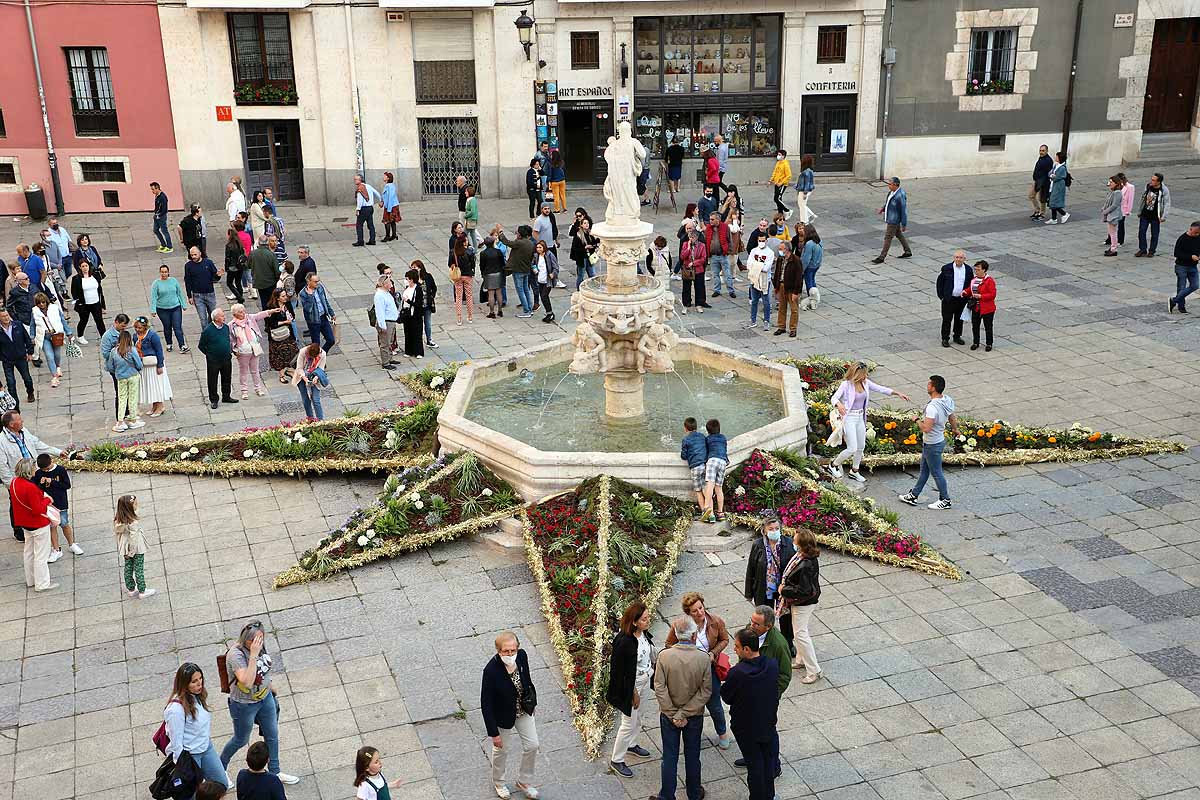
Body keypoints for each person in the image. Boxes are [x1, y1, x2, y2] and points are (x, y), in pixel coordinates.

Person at [220, 621, 300, 785]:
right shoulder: (236, 654)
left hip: (265, 698)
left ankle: (275, 772)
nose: (258, 643)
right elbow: (247, 682)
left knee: (272, 735)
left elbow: (263, 671)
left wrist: (271, 688)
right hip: (244, 704)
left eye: (261, 638)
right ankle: (220, 769)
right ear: (245, 639)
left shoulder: (259, 647)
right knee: (241, 739)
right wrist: (254, 654)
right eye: (254, 640)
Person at [654, 616, 714, 800]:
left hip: (669, 715)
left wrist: (673, 713)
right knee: (693, 756)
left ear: (675, 633)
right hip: (693, 716)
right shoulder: (703, 658)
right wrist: (683, 713)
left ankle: (666, 796)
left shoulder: (664, 656)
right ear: (694, 635)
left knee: (669, 757)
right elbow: (705, 691)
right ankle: (694, 794)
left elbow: (659, 687)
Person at [665, 592, 731, 750]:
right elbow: (668, 644)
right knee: (688, 703)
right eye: (695, 611)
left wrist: (713, 653)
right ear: (688, 613)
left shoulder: (715, 621)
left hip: (709, 669)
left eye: (701, 608)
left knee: (714, 704)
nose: (700, 612)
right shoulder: (679, 625)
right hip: (688, 672)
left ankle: (722, 733)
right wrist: (683, 654)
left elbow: (725, 639)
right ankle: (691, 734)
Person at [481, 630, 540, 800]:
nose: (510, 654)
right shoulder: (491, 671)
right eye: (506, 651)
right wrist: (493, 733)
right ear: (498, 651)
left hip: (522, 711)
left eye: (513, 650)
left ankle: (524, 781)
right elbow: (486, 704)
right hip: (503, 716)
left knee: (533, 745)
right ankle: (499, 782)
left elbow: (527, 679)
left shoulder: (521, 656)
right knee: (501, 750)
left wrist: (531, 702)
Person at [723, 628, 780, 800]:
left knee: (754, 766)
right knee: (767, 763)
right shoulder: (771, 665)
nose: (735, 649)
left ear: (747, 650)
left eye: (737, 646)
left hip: (746, 729)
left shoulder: (737, 673)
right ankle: (769, 795)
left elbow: (726, 696)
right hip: (767, 724)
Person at [827, 362, 909, 482]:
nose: (866, 377)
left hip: (860, 417)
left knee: (861, 447)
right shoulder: (846, 385)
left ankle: (854, 471)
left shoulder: (865, 383)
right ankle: (833, 465)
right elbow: (834, 398)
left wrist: (897, 393)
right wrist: (838, 404)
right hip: (849, 418)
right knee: (852, 448)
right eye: (864, 374)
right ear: (857, 375)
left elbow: (881, 389)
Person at [607, 601, 656, 779]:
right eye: (644, 619)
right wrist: (633, 693)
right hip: (631, 687)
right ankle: (617, 759)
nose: (648, 621)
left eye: (648, 617)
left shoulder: (643, 634)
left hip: (644, 680)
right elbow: (620, 673)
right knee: (628, 723)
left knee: (639, 718)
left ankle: (632, 744)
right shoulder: (624, 642)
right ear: (634, 622)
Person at [898, 375, 959, 510]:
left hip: (932, 444)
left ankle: (945, 499)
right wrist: (955, 429)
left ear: (934, 387)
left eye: (929, 384)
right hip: (937, 441)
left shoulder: (932, 407)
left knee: (937, 473)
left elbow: (926, 428)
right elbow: (952, 417)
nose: (927, 385)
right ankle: (914, 495)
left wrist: (916, 420)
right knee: (924, 471)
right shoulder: (946, 400)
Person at [163, 663, 224, 790]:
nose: (199, 683)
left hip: (206, 747)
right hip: (191, 756)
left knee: (221, 785)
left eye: (200, 678)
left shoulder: (198, 696)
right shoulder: (175, 710)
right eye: (194, 681)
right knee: (192, 794)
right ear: (184, 684)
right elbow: (176, 742)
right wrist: (183, 769)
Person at [745, 511, 794, 656]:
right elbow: (751, 569)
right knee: (763, 619)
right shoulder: (758, 545)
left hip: (781, 590)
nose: (774, 532)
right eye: (771, 529)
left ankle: (788, 644)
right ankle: (764, 644)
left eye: (776, 529)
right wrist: (748, 592)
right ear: (764, 531)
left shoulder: (788, 544)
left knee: (786, 618)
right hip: (763, 588)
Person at [779, 527, 822, 683]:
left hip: (803, 603)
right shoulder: (803, 557)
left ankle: (814, 670)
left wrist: (784, 589)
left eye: (795, 537)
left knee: (800, 634)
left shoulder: (805, 564)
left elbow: (802, 590)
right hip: (805, 601)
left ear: (801, 543)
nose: (793, 539)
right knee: (799, 631)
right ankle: (801, 659)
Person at [12, 458, 56, 591]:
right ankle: (42, 584)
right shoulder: (30, 487)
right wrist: (47, 499)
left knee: (28, 552)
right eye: (33, 467)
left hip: (24, 523)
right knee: (41, 555)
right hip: (38, 523)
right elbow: (38, 510)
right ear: (28, 470)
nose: (35, 470)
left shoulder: (14, 482)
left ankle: (30, 580)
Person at [35, 452, 79, 562]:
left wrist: (53, 482)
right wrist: (40, 484)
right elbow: (37, 490)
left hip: (61, 503)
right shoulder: (38, 473)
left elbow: (67, 485)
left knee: (64, 524)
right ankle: (56, 549)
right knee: (52, 527)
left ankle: (72, 544)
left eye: (46, 469)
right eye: (43, 470)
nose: (45, 471)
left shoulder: (60, 470)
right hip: (48, 505)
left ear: (51, 462)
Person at [229, 304, 271, 399]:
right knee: (243, 371)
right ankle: (244, 391)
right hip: (243, 351)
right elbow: (230, 339)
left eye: (243, 310)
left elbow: (260, 315)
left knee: (255, 370)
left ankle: (258, 388)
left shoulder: (249, 318)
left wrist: (271, 311)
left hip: (254, 348)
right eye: (240, 312)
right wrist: (234, 350)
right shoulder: (231, 325)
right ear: (235, 314)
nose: (243, 313)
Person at [106, 330, 144, 432]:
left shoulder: (114, 351)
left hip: (121, 377)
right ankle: (133, 420)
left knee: (122, 398)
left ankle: (120, 422)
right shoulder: (132, 350)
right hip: (133, 376)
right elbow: (139, 365)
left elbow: (109, 366)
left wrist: (118, 371)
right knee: (133, 397)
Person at [199, 308, 237, 409]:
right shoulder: (208, 330)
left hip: (226, 358)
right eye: (222, 316)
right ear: (216, 319)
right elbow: (201, 346)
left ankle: (226, 396)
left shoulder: (225, 327)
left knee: (227, 378)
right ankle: (214, 399)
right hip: (213, 361)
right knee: (212, 380)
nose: (224, 317)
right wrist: (210, 355)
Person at [133, 316, 171, 417]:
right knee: (150, 386)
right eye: (136, 327)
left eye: (140, 328)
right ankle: (154, 406)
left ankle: (160, 406)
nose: (137, 330)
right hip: (144, 365)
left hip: (153, 365)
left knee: (156, 385)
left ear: (145, 327)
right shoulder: (135, 336)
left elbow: (159, 351)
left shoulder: (153, 335)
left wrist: (160, 365)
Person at [0, 309, 35, 411]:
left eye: (7, 315)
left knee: (27, 378)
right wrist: (3, 357)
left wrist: (30, 352)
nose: (6, 318)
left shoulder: (18, 325)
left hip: (21, 358)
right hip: (7, 361)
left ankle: (30, 392)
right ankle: (15, 406)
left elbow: (27, 339)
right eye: (3, 316)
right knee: (11, 383)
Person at [872, 176, 912, 263]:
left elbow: (903, 211)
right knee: (898, 234)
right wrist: (882, 209)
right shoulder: (891, 192)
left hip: (894, 220)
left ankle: (882, 257)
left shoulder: (900, 195)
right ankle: (907, 251)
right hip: (891, 217)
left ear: (895, 185)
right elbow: (888, 203)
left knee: (888, 237)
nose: (888, 186)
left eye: (890, 184)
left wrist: (904, 224)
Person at [31, 293, 67, 389]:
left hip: (56, 335)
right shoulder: (34, 311)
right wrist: (32, 336)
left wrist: (68, 332)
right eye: (39, 303)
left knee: (57, 354)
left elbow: (62, 320)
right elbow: (33, 324)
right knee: (49, 356)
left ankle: (58, 366)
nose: (42, 304)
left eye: (43, 302)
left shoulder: (54, 308)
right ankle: (54, 377)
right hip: (44, 336)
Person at [151, 264, 189, 353]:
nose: (164, 274)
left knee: (177, 327)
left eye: (165, 272)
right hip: (162, 309)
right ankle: (169, 343)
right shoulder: (156, 283)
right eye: (162, 272)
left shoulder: (173, 281)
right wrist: (153, 310)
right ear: (160, 273)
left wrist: (183, 304)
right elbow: (154, 297)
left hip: (175, 307)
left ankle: (182, 345)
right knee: (167, 326)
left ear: (168, 272)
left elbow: (179, 293)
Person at [184, 246, 223, 331]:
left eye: (195, 254)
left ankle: (213, 332)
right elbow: (188, 281)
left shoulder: (208, 263)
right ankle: (206, 335)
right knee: (203, 319)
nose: (193, 257)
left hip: (210, 294)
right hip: (197, 296)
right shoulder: (188, 266)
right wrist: (189, 296)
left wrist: (218, 276)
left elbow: (214, 277)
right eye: (192, 255)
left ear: (200, 254)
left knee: (213, 316)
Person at [962, 259, 997, 351]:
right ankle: (975, 342)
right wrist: (966, 291)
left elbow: (992, 295)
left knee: (988, 326)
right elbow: (971, 289)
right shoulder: (974, 279)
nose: (976, 271)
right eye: (975, 269)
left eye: (978, 269)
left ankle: (989, 343)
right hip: (976, 307)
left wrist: (981, 296)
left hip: (987, 308)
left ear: (984, 270)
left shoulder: (989, 281)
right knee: (975, 326)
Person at [499, 227, 534, 317]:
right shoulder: (530, 243)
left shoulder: (519, 243)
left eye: (518, 233)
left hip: (518, 270)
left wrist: (500, 232)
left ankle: (526, 311)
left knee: (520, 290)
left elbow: (506, 242)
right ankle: (530, 308)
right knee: (526, 289)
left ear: (520, 234)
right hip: (526, 269)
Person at [265, 289, 299, 383]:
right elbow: (270, 323)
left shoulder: (287, 304)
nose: (285, 298)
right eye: (283, 296)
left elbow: (293, 315)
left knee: (292, 351)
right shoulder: (271, 307)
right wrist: (284, 322)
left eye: (285, 295)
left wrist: (290, 318)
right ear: (277, 298)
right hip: (277, 335)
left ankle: (289, 369)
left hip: (288, 332)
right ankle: (282, 375)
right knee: (279, 355)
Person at [937, 250, 970, 347]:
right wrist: (942, 296)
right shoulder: (947, 268)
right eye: (957, 257)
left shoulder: (968, 270)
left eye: (961, 258)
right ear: (954, 258)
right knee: (947, 319)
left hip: (961, 299)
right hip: (949, 299)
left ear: (964, 259)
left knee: (959, 319)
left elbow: (969, 284)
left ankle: (957, 336)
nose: (958, 259)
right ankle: (945, 338)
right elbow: (940, 283)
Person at [298, 272, 337, 350]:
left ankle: (322, 355)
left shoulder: (320, 288)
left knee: (331, 340)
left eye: (318, 281)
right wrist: (310, 296)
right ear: (309, 281)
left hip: (323, 317)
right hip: (313, 321)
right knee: (316, 344)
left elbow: (325, 301)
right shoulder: (303, 293)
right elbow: (308, 309)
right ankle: (317, 359)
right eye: (315, 282)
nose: (317, 283)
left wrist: (331, 313)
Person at [1136, 173, 1171, 257]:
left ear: (1159, 182)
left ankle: (1152, 250)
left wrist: (1164, 216)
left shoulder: (1164, 190)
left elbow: (1167, 203)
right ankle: (1142, 249)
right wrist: (1139, 211)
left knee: (1155, 234)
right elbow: (1143, 198)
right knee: (1141, 232)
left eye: (1154, 180)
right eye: (1151, 179)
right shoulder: (1148, 186)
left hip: (1156, 215)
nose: (1151, 181)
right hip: (1145, 213)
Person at [680, 417, 709, 517]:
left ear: (685, 428)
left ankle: (704, 512)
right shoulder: (702, 436)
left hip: (695, 467)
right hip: (705, 465)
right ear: (696, 426)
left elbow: (683, 456)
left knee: (698, 491)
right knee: (706, 489)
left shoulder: (686, 439)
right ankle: (711, 511)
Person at [772, 241, 802, 338]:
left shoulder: (796, 260)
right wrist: (776, 286)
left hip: (791, 288)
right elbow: (777, 272)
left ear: (787, 249)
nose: (779, 251)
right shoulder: (780, 259)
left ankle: (793, 328)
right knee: (781, 307)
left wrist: (796, 292)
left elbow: (799, 278)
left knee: (794, 309)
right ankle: (781, 326)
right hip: (781, 286)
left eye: (781, 249)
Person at [701, 419, 728, 524]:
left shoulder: (707, 439)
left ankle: (707, 507)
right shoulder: (723, 438)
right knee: (719, 488)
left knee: (710, 485)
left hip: (712, 461)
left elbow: (706, 452)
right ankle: (721, 513)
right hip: (722, 462)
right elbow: (724, 450)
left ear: (708, 431)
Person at [292, 343, 328, 420]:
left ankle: (320, 420)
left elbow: (321, 369)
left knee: (316, 399)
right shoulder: (303, 352)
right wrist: (304, 378)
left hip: (314, 375)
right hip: (301, 376)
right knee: (305, 399)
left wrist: (316, 377)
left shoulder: (323, 354)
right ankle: (310, 418)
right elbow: (299, 368)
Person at [746, 233, 775, 330]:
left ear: (766, 241)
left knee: (766, 302)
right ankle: (753, 320)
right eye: (760, 240)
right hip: (754, 279)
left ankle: (766, 321)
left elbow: (766, 268)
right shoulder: (754, 251)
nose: (761, 242)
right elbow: (748, 265)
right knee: (754, 301)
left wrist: (756, 265)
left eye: (763, 240)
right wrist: (759, 266)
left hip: (765, 280)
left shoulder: (770, 253)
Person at [1170, 220, 1200, 314]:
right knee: (1181, 287)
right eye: (1195, 232)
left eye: (1198, 233)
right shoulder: (1182, 239)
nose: (1196, 234)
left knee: (1195, 285)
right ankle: (1181, 306)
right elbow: (1177, 253)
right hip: (1181, 266)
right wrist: (1190, 256)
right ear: (1190, 229)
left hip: (1193, 267)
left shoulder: (1198, 237)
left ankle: (1174, 300)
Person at [705, 211, 735, 299]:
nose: (710, 221)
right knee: (715, 274)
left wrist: (728, 251)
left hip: (723, 255)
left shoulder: (725, 227)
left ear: (717, 219)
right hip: (713, 256)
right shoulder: (708, 228)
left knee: (727, 274)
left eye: (712, 219)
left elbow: (729, 240)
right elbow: (707, 240)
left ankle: (731, 290)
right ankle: (717, 290)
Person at [679, 227, 708, 314]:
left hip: (698, 270)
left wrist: (694, 263)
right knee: (686, 288)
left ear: (696, 237)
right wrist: (688, 248)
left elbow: (703, 258)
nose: (691, 239)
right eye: (689, 237)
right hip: (687, 270)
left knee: (699, 287)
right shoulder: (685, 244)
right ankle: (686, 304)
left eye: (692, 237)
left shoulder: (702, 246)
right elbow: (682, 256)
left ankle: (699, 304)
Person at [373, 276, 399, 371]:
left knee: (390, 342)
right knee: (385, 343)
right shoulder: (379, 296)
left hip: (391, 321)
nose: (391, 285)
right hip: (386, 322)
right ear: (384, 284)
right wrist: (382, 326)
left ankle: (390, 358)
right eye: (389, 283)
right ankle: (385, 363)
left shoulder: (386, 293)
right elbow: (380, 312)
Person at [450, 234, 477, 326]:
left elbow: (450, 263)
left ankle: (459, 318)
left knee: (458, 297)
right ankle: (470, 316)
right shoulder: (469, 252)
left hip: (458, 276)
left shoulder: (453, 252)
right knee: (469, 296)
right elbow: (473, 264)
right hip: (468, 275)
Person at [399, 269, 425, 359]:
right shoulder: (407, 288)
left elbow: (418, 304)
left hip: (415, 314)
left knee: (417, 333)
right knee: (407, 332)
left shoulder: (418, 289)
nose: (406, 280)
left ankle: (418, 352)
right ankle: (409, 351)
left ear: (412, 279)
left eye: (407, 279)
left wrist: (409, 301)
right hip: (407, 314)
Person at [412, 260, 439, 348]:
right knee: (417, 325)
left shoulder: (428, 276)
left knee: (428, 323)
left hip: (427, 304)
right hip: (418, 306)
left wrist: (431, 297)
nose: (414, 269)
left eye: (415, 267)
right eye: (412, 268)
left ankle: (429, 340)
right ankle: (418, 342)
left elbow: (433, 287)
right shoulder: (412, 279)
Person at [248, 235, 279, 312]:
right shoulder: (271, 255)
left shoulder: (253, 254)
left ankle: (266, 318)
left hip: (259, 282)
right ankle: (272, 318)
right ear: (267, 243)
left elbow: (248, 265)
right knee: (272, 301)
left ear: (258, 243)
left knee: (263, 301)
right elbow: (277, 271)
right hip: (271, 283)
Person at [569, 218, 599, 291]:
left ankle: (594, 288)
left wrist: (594, 245)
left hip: (589, 257)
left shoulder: (590, 234)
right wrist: (585, 247)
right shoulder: (578, 235)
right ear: (581, 225)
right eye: (585, 223)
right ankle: (579, 290)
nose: (587, 225)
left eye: (587, 223)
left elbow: (595, 243)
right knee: (581, 275)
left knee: (592, 274)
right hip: (582, 258)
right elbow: (576, 248)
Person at [533, 240, 558, 324]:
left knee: (544, 296)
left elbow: (556, 267)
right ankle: (549, 313)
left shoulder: (550, 255)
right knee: (543, 296)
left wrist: (553, 274)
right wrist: (535, 269)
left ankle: (550, 313)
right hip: (540, 279)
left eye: (540, 247)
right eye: (537, 247)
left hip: (548, 281)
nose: (538, 249)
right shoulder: (536, 256)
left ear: (544, 247)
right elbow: (532, 264)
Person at [353, 174, 382, 247]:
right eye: (355, 179)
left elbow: (360, 201)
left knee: (359, 225)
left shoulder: (360, 189)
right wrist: (380, 200)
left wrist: (357, 210)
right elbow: (377, 193)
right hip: (370, 208)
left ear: (360, 180)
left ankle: (360, 241)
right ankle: (372, 240)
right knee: (370, 224)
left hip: (363, 209)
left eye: (356, 179)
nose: (355, 181)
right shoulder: (368, 186)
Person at [799, 223, 823, 309]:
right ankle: (816, 298)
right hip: (816, 265)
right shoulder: (819, 241)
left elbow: (806, 259)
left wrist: (802, 269)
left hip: (810, 266)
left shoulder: (809, 244)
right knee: (812, 281)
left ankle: (812, 299)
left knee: (809, 282)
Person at [1029, 144, 1054, 221]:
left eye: (1043, 150)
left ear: (1047, 151)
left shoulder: (1048, 160)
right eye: (1040, 150)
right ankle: (1037, 210)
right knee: (1031, 196)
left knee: (1042, 199)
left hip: (1043, 182)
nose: (1041, 152)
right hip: (1037, 181)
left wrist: (1041, 183)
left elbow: (1048, 174)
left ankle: (1042, 214)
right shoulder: (1041, 158)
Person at [1101, 175, 1125, 257]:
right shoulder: (1113, 191)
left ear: (1116, 183)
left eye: (1111, 182)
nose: (1109, 183)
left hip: (1113, 215)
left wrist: (1105, 211)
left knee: (1113, 233)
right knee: (1111, 232)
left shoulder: (1117, 193)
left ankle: (1114, 249)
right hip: (1111, 215)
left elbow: (1114, 205)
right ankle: (1112, 247)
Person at [1046, 151, 1071, 225]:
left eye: (1057, 156)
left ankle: (1064, 214)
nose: (1055, 157)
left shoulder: (1062, 168)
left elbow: (1057, 177)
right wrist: (1052, 175)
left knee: (1054, 202)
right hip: (1053, 186)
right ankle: (1054, 219)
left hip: (1058, 187)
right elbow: (1050, 173)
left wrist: (1052, 176)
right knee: (1052, 202)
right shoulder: (1056, 165)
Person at [151, 182, 173, 253]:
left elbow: (165, 210)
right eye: (151, 189)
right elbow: (157, 206)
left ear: (157, 188)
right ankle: (163, 245)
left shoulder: (163, 197)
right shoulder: (157, 195)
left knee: (164, 231)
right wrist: (155, 213)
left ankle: (169, 247)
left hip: (161, 217)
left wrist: (158, 216)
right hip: (156, 216)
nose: (152, 191)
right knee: (155, 230)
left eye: (153, 189)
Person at [770, 149, 792, 218]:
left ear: (783, 156)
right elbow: (775, 172)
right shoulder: (778, 163)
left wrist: (782, 182)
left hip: (782, 184)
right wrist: (771, 180)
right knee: (777, 198)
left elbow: (789, 175)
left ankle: (787, 210)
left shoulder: (785, 164)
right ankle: (780, 213)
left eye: (779, 155)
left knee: (777, 198)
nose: (778, 156)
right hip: (777, 183)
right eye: (778, 154)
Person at [380, 172, 401, 242]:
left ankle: (387, 236)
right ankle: (394, 235)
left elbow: (390, 197)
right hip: (391, 205)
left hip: (391, 206)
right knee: (392, 221)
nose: (383, 177)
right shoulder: (389, 185)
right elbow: (386, 196)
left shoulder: (389, 186)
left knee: (387, 221)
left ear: (388, 178)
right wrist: (382, 202)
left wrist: (388, 209)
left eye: (385, 176)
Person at [795, 154, 816, 224]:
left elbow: (807, 183)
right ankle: (811, 215)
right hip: (803, 189)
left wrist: (805, 192)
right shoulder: (808, 170)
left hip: (804, 190)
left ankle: (804, 220)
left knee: (802, 205)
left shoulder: (806, 171)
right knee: (802, 204)